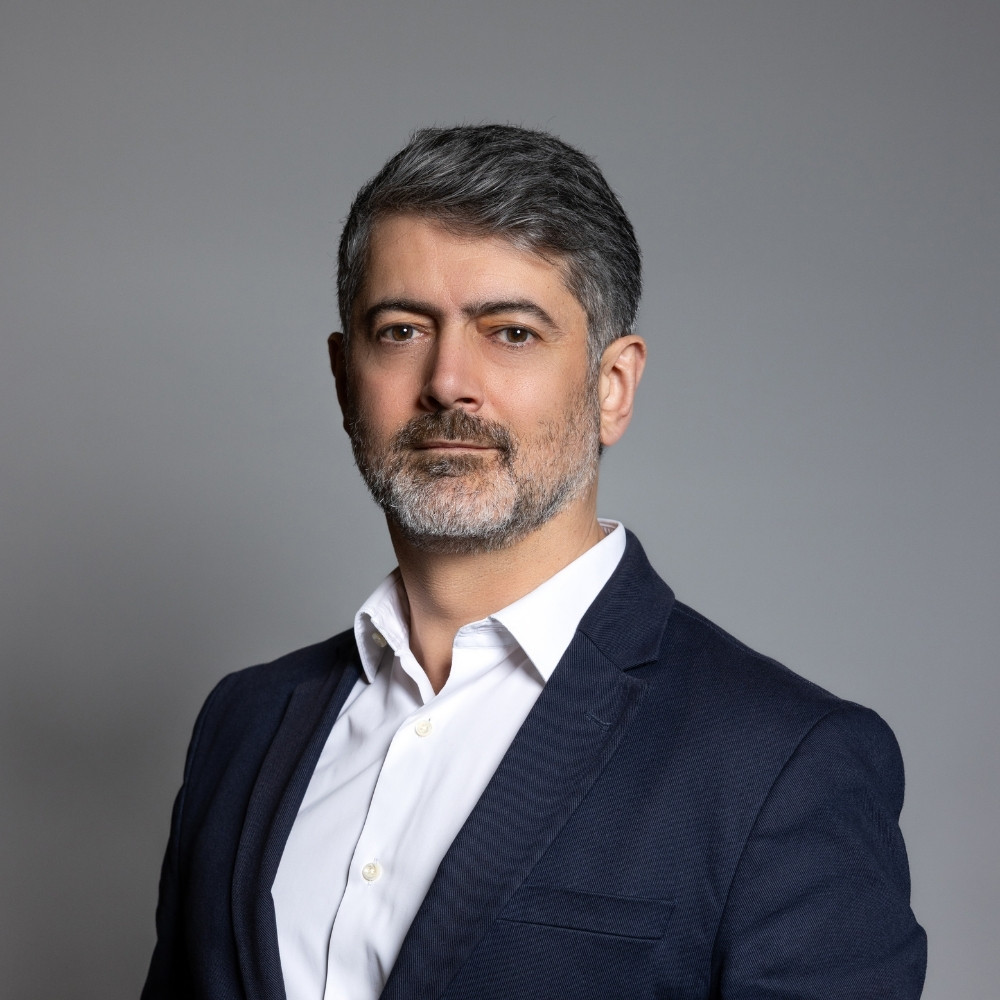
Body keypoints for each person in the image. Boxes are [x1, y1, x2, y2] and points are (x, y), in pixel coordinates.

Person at [141, 124, 926, 1000]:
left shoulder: (782, 765)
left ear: (611, 388)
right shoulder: (242, 726)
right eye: (402, 330)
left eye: (510, 333)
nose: (447, 382)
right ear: (342, 377)